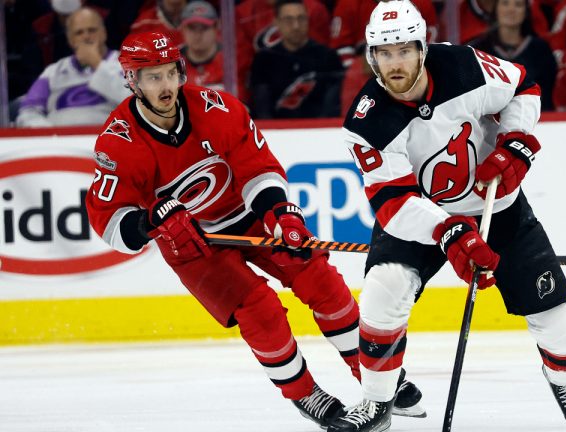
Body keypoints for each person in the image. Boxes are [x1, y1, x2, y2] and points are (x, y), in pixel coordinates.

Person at [84, 31, 422, 430]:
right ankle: (305, 394)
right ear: (132, 82)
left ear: (180, 71)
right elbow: (108, 221)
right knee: (260, 311)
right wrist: (150, 221)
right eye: (152, 77)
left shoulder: (217, 109)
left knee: (320, 280)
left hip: (249, 215)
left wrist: (282, 214)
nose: (166, 86)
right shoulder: (119, 142)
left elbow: (257, 167)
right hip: (191, 242)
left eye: (170, 73)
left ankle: (375, 375)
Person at [329, 1, 566, 431]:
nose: (394, 64)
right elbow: (393, 203)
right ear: (370, 56)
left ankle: (565, 379)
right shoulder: (366, 121)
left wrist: (514, 145)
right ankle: (377, 402)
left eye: (403, 50)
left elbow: (523, 87)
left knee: (561, 324)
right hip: (422, 215)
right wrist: (451, 231)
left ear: (422, 48)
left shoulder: (465, 66)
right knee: (383, 291)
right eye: (384, 53)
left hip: (497, 208)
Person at [16, 7, 131, 127]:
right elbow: (29, 111)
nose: (86, 37)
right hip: (59, 140)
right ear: (70, 40)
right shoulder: (53, 72)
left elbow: (141, 105)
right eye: (79, 32)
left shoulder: (128, 65)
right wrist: (50, 135)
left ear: (104, 33)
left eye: (92, 30)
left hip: (112, 137)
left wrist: (97, 64)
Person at [250, 0, 345, 118]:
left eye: (301, 18)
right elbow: (262, 108)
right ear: (276, 23)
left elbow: (332, 106)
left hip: (320, 131)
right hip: (275, 132)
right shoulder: (264, 60)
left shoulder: (328, 57)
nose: (296, 26)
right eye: (288, 20)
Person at [469, 0, 558, 110]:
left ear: (526, 11)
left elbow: (548, 96)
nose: (511, 9)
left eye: (518, 4)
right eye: (505, 3)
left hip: (534, 119)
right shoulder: (477, 49)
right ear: (495, 9)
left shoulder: (541, 50)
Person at [178, 0, 247, 100]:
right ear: (183, 29)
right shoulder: (172, 64)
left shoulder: (234, 61)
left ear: (216, 27)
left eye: (204, 28)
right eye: (192, 28)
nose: (198, 34)